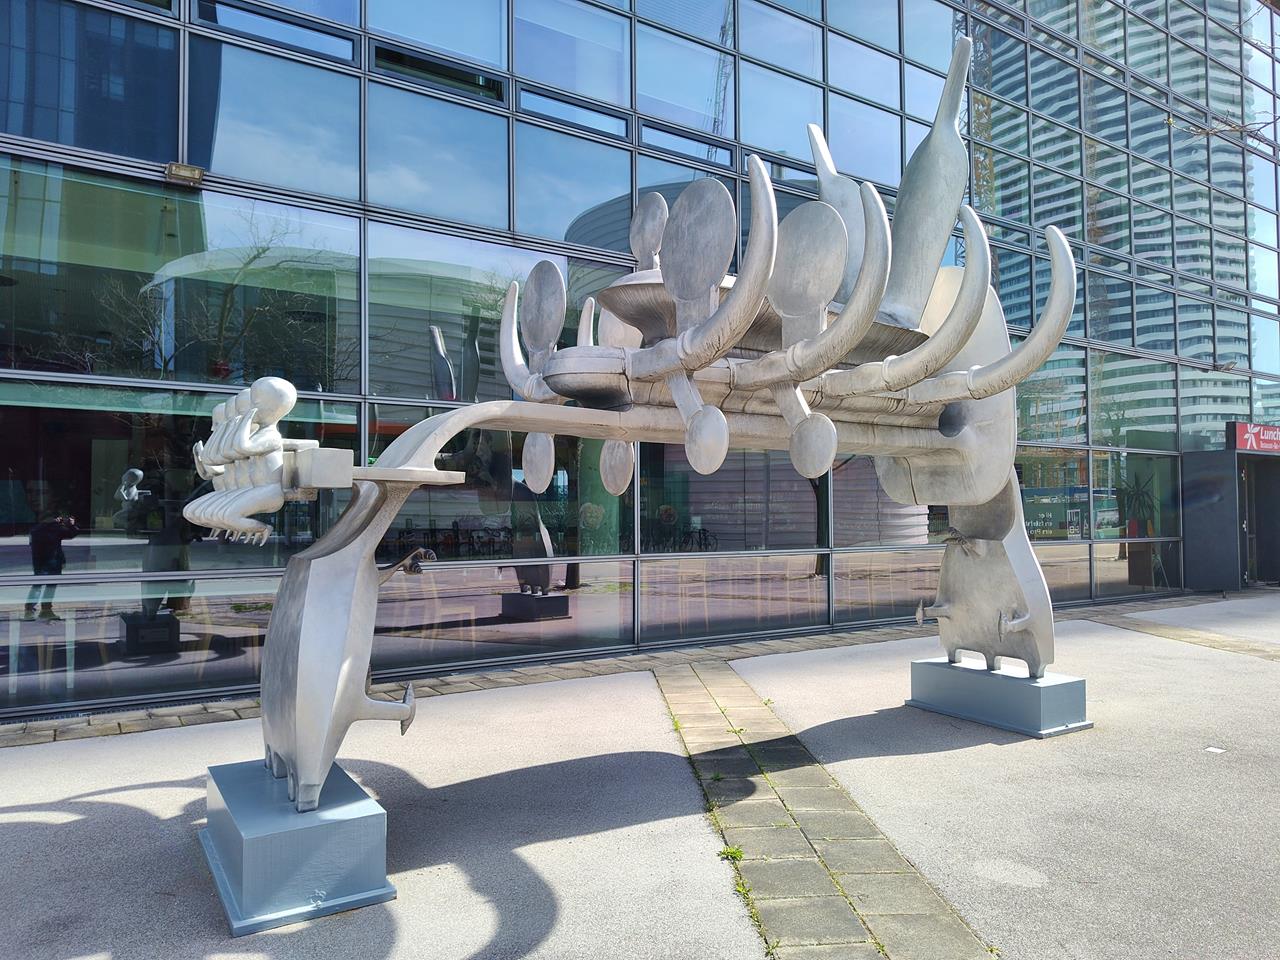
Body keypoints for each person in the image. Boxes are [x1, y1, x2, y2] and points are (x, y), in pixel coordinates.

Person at [24, 512, 79, 621]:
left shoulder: (35, 530)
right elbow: (71, 533)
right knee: (50, 586)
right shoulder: (55, 528)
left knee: (37, 585)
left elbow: (32, 543)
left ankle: (29, 609)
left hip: (39, 561)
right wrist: (71, 524)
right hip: (53, 561)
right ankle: (46, 609)